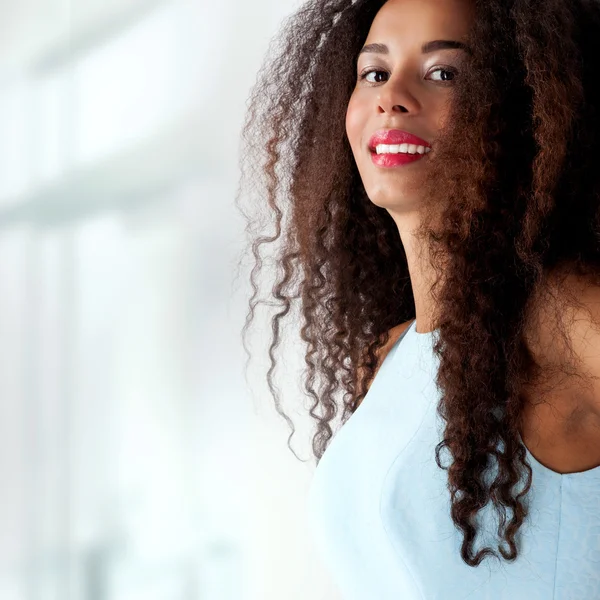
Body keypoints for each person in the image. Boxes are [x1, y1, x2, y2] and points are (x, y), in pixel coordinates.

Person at [235, 0, 600, 596]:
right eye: (374, 74)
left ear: (525, 107)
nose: (391, 98)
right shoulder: (382, 359)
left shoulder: (565, 316)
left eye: (443, 74)